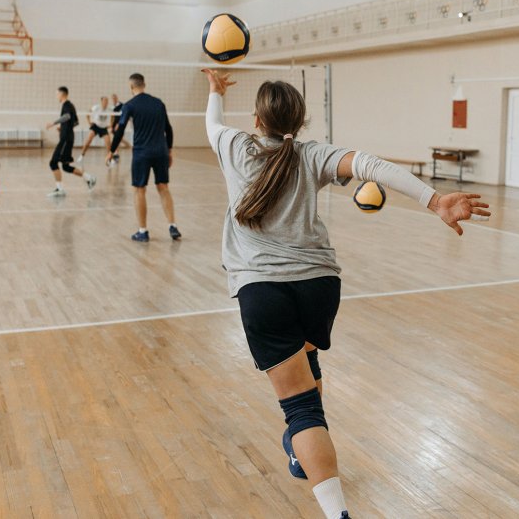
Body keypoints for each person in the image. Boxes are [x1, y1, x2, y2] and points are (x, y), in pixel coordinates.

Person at [201, 68, 490, 519]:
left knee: (301, 410)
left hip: (263, 289)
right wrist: (434, 201)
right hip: (320, 285)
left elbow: (211, 124)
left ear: (257, 119)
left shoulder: (236, 147)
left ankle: (336, 511)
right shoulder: (312, 154)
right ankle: (302, 452)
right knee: (307, 360)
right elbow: (372, 166)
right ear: (301, 120)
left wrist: (215, 91)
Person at [111, 73, 179, 241]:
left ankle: (142, 231)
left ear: (131, 87)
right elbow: (168, 129)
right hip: (161, 151)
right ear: (144, 84)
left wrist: (111, 150)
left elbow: (119, 130)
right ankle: (173, 226)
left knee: (139, 190)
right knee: (163, 188)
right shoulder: (158, 103)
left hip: (142, 153)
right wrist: (169, 150)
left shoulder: (129, 105)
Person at [45, 86, 96, 198]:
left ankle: (59, 189)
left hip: (65, 139)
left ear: (62, 94)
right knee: (66, 167)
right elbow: (75, 122)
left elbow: (67, 116)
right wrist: (63, 127)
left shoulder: (67, 105)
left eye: (57, 94)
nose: (56, 96)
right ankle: (89, 178)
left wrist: (54, 123)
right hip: (68, 138)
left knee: (53, 163)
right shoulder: (70, 105)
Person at [77, 96, 112, 164]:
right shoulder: (96, 107)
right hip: (95, 126)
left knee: (108, 143)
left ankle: (109, 159)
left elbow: (113, 116)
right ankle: (82, 155)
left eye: (107, 101)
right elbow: (88, 113)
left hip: (104, 127)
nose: (106, 102)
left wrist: (111, 124)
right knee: (89, 140)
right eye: (105, 101)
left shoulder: (109, 109)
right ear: (101, 101)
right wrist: (89, 122)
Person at [107, 92, 131, 167]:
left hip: (120, 125)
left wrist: (118, 124)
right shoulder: (112, 107)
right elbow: (112, 117)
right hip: (114, 125)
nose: (113, 99)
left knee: (118, 139)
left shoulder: (122, 105)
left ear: (117, 98)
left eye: (115, 98)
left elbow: (123, 116)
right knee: (116, 139)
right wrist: (111, 125)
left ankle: (129, 146)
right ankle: (116, 154)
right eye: (112, 98)